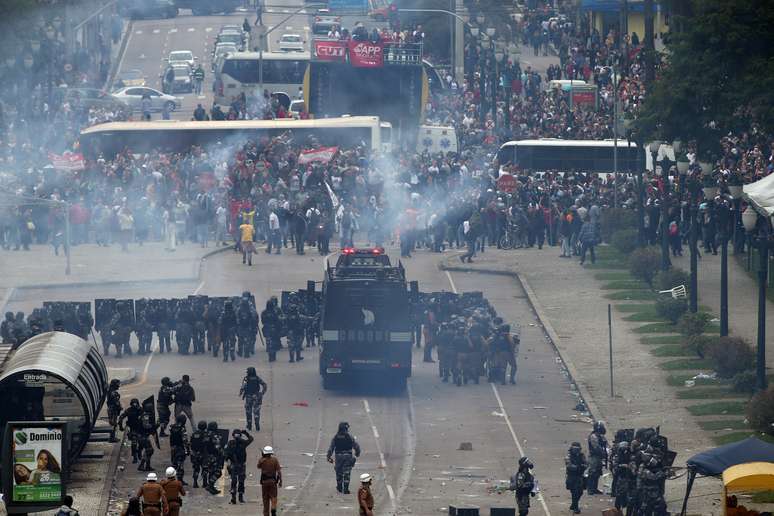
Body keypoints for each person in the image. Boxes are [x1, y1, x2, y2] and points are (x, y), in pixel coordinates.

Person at [326, 422, 361, 494]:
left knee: (339, 472)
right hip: (348, 456)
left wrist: (328, 456)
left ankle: (339, 487)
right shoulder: (349, 437)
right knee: (347, 473)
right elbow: (356, 446)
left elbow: (331, 448)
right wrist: (357, 453)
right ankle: (345, 489)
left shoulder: (336, 437)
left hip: (338, 457)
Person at [225, 429, 254, 504]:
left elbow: (227, 453)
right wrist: (246, 433)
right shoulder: (243, 442)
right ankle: (240, 497)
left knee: (234, 481)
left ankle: (233, 498)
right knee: (241, 481)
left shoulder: (230, 443)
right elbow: (251, 439)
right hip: (241, 465)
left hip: (233, 465)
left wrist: (227, 461)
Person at [240, 367, 268, 431]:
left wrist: (241, 392)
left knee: (248, 412)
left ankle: (249, 425)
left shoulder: (246, 378)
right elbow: (264, 384)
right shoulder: (257, 378)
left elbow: (243, 386)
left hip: (249, 397)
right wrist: (262, 393)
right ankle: (257, 425)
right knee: (256, 411)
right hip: (257, 396)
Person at [257, 445, 282, 516]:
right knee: (274, 497)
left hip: (264, 482)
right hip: (273, 482)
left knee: (265, 500)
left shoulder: (262, 460)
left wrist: (262, 457)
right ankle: (273, 509)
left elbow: (258, 466)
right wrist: (280, 481)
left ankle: (266, 514)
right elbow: (279, 471)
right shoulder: (275, 460)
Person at [119, 398, 144, 464]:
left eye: (135, 403)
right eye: (133, 403)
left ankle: (139, 452)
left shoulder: (141, 410)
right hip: (133, 429)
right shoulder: (129, 410)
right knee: (134, 443)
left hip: (140, 429)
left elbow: (147, 417)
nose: (134, 405)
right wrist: (121, 426)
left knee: (142, 442)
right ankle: (135, 457)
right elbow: (121, 417)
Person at [203, 421, 225, 494]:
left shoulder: (205, 434)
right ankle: (210, 485)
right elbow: (218, 447)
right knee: (218, 473)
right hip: (214, 456)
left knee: (211, 471)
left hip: (206, 456)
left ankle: (211, 488)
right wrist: (223, 453)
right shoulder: (214, 436)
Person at [565, 442, 587, 514]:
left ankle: (574, 504)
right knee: (574, 492)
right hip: (571, 476)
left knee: (580, 492)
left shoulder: (581, 455)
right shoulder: (569, 456)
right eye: (575, 449)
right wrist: (578, 467)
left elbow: (586, 463)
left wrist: (582, 466)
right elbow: (569, 466)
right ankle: (576, 507)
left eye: (578, 449)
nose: (576, 451)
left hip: (580, 476)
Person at [587, 421, 608, 495]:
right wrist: (603, 453)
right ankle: (590, 489)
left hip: (598, 457)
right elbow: (596, 448)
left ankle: (594, 488)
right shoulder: (593, 436)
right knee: (592, 472)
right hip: (594, 457)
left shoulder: (600, 436)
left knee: (597, 473)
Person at [168, 414, 190, 485]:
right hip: (180, 448)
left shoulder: (171, 427)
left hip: (173, 447)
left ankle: (170, 478)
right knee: (180, 464)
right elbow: (185, 440)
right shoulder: (182, 428)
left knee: (174, 463)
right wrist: (187, 449)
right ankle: (180, 480)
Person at [189, 420, 208, 488]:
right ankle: (205, 483)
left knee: (196, 469)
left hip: (195, 454)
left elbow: (191, 443)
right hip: (203, 454)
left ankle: (195, 483)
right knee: (205, 469)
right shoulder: (206, 434)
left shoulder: (194, 434)